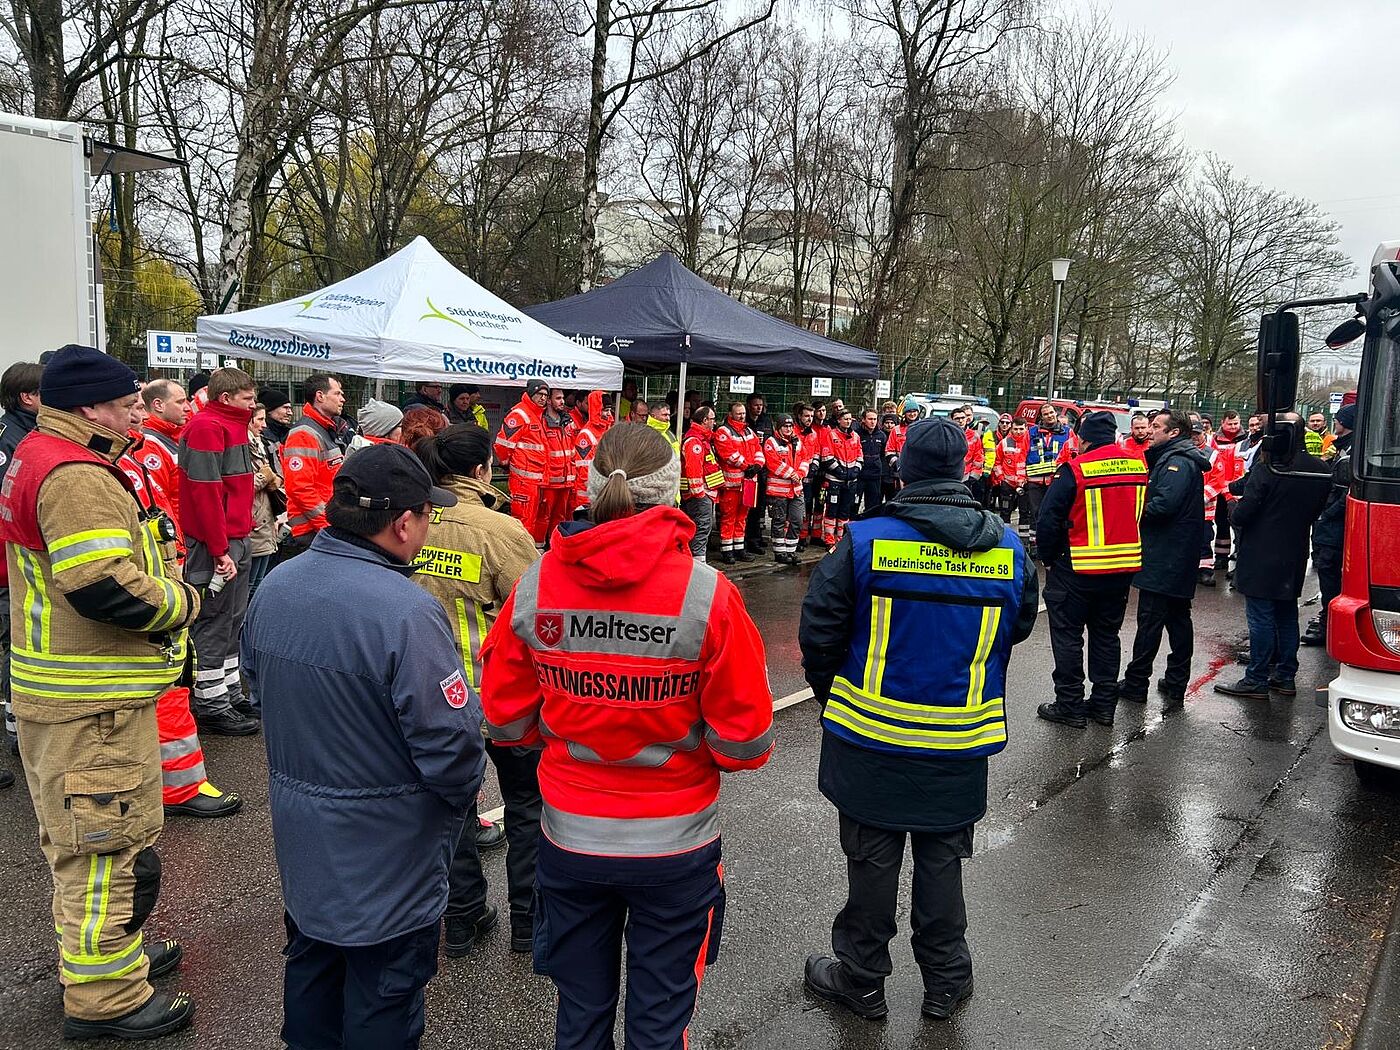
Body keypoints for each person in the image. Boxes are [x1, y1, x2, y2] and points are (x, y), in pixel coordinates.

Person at [480, 422, 775, 1050]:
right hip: (676, 847)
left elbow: (504, 722)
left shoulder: (536, 585)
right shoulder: (708, 596)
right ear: (672, 494)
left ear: (591, 488)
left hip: (569, 835)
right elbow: (744, 743)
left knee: (580, 1015)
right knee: (659, 1023)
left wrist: (565, 727)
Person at [244, 444, 484, 1050]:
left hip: (304, 840)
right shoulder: (406, 612)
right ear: (404, 523)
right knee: (384, 995)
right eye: (426, 515)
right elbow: (452, 748)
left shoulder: (277, 584)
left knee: (312, 972)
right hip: (390, 851)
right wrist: (458, 806)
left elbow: (254, 683)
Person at [798, 417, 1037, 1022]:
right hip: (961, 738)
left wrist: (835, 695)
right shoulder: (1009, 548)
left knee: (872, 861)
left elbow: (819, 631)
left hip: (871, 735)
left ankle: (862, 980)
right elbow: (1020, 625)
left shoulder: (865, 540)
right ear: (963, 472)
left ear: (904, 470)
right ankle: (946, 983)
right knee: (942, 860)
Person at [2, 345, 199, 1039]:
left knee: (95, 842)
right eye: (126, 404)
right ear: (89, 406)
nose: (137, 414)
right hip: (92, 702)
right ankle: (107, 997)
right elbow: (103, 585)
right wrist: (183, 602)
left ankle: (115, 957)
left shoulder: (44, 451)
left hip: (77, 694)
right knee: (101, 850)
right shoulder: (74, 473)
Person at [412, 425, 543, 958]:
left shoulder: (409, 522)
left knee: (453, 811)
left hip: (434, 699)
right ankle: (529, 926)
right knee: (527, 807)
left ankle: (462, 918)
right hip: (502, 697)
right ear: (483, 470)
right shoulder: (501, 529)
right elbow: (537, 613)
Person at [1034, 412, 1148, 729]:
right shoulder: (1137, 465)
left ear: (1084, 440)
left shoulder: (1075, 469)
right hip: (1122, 567)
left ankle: (1069, 705)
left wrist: (1047, 557)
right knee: (1106, 638)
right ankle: (1103, 706)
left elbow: (1048, 519)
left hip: (1077, 566)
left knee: (1068, 637)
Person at [1215, 420, 1330, 700]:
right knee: (1287, 614)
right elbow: (1317, 509)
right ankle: (1285, 674)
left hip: (1261, 553)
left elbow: (1243, 515)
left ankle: (1256, 677)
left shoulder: (1270, 469)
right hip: (1295, 551)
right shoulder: (1320, 470)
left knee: (1261, 617)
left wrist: (1232, 505)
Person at [179, 367, 260, 736]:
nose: (253, 404)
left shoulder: (229, 425)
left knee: (232, 617)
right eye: (247, 398)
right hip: (218, 546)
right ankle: (211, 702)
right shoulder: (208, 428)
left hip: (233, 540)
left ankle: (226, 691)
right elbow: (205, 493)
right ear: (226, 398)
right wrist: (219, 548)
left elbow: (231, 489)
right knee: (214, 619)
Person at [1119, 409, 1212, 711]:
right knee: (1176, 618)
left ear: (1174, 433)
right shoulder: (1176, 459)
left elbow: (1162, 505)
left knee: (1152, 620)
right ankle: (1175, 680)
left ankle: (1137, 683)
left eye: (1157, 426)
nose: (1150, 430)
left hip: (1167, 554)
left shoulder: (1177, 463)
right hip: (1175, 553)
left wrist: (1132, 507)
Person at [0, 360, 41, 761]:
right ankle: (17, 726)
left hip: (14, 560)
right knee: (17, 643)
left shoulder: (24, 432)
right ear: (27, 397)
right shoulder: (10, 438)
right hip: (7, 563)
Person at [1303, 403, 1355, 657]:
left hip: (1333, 527)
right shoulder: (1342, 448)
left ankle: (1329, 626)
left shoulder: (1350, 453)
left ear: (1345, 423)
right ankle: (1328, 620)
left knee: (1330, 573)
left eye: (1338, 420)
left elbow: (1345, 492)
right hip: (1330, 525)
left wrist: (1325, 515)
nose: (1335, 423)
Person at [281, 374, 346, 553]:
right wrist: (327, 526)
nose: (343, 399)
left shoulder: (324, 430)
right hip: (312, 532)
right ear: (320, 396)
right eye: (337, 393)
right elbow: (299, 488)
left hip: (320, 528)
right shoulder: (304, 434)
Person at [495, 379, 551, 549]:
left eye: (546, 395)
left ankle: (531, 553)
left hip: (536, 481)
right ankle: (518, 555)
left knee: (535, 520)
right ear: (531, 394)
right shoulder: (520, 414)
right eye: (539, 394)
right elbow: (502, 445)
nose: (543, 398)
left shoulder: (537, 415)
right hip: (523, 481)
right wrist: (506, 462)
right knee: (523, 521)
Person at [137, 379, 190, 550]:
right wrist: (177, 547)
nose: (187, 407)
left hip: (182, 537)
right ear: (158, 405)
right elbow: (160, 504)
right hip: (173, 543)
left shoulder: (171, 437)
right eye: (180, 402)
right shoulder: (149, 445)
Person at [713, 402, 764, 564]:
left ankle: (739, 548)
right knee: (729, 517)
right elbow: (728, 454)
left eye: (743, 413)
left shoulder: (749, 431)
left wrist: (757, 465)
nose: (742, 416)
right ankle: (727, 551)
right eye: (738, 413)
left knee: (742, 517)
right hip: (732, 484)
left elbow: (758, 450)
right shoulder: (723, 431)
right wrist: (747, 466)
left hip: (748, 483)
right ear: (731, 414)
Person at [1023, 402, 1076, 555]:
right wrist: (1021, 478)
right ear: (1042, 416)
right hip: (1034, 481)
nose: (1050, 416)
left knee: (1055, 512)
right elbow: (1022, 454)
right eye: (1046, 414)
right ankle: (1035, 545)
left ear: (1056, 413)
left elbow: (1071, 455)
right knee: (1036, 513)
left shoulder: (1068, 432)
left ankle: (1055, 544)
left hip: (1056, 482)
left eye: (1052, 412)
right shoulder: (1031, 432)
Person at [680, 406, 725, 561]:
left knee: (701, 528)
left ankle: (697, 561)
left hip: (704, 494)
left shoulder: (702, 439)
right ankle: (699, 563)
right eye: (712, 419)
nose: (714, 422)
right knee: (701, 528)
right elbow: (693, 470)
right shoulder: (695, 441)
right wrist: (700, 495)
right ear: (705, 420)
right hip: (700, 495)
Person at [247, 404, 283, 598]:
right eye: (259, 419)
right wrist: (263, 478)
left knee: (259, 583)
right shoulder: (243, 446)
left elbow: (275, 476)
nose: (263, 425)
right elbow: (239, 487)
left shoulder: (259, 444)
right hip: (253, 523)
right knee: (250, 586)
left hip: (265, 520)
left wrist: (274, 479)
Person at [765, 414, 808, 564]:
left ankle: (791, 551)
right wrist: (792, 474)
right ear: (779, 427)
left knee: (797, 519)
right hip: (778, 491)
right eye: (785, 426)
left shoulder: (797, 441)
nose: (788, 429)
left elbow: (805, 459)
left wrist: (800, 473)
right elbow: (773, 463)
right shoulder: (771, 442)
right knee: (779, 521)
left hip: (796, 489)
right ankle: (779, 552)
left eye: (790, 426)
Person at [821, 407, 863, 551]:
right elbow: (826, 456)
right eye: (845, 419)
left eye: (850, 419)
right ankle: (829, 540)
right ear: (838, 420)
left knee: (845, 512)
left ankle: (840, 539)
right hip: (834, 480)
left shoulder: (855, 436)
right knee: (832, 511)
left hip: (851, 481)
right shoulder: (831, 435)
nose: (848, 421)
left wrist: (856, 470)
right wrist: (839, 471)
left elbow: (860, 456)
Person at [542, 387, 579, 543]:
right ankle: (539, 550)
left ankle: (555, 546)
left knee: (560, 518)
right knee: (543, 518)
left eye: (563, 398)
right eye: (558, 398)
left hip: (566, 481)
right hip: (550, 481)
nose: (562, 401)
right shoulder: (542, 422)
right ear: (549, 401)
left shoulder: (569, 422)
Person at [572, 391, 614, 515]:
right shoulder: (586, 436)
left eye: (610, 410)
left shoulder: (606, 432)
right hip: (588, 496)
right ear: (597, 409)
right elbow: (584, 471)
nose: (609, 414)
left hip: (602, 493)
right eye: (605, 410)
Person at [990, 418, 1030, 538]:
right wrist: (1001, 477)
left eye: (1021, 429)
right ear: (1011, 429)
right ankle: (1005, 538)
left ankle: (1024, 540)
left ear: (1026, 428)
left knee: (1025, 513)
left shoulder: (1031, 443)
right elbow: (996, 462)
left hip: (1025, 483)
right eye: (1015, 429)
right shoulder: (1004, 443)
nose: (1018, 432)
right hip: (1007, 483)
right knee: (1005, 512)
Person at [744, 394, 773, 554]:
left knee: (759, 508)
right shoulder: (743, 422)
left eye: (761, 405)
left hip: (762, 471)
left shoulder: (766, 421)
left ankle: (756, 538)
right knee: (748, 507)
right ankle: (747, 540)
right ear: (749, 405)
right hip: (748, 471)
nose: (759, 408)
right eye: (755, 405)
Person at [794, 403, 824, 548]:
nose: (809, 419)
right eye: (806, 416)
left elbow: (817, 452)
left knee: (814, 505)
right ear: (799, 416)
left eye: (811, 416)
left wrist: (814, 466)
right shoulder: (792, 431)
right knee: (800, 509)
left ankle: (810, 536)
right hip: (797, 476)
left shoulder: (813, 433)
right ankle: (799, 537)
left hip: (812, 476)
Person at [856, 408, 887, 513]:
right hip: (859, 475)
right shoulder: (856, 435)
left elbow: (883, 455)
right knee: (854, 503)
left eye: (875, 419)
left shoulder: (881, 435)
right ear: (864, 420)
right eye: (870, 419)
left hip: (875, 475)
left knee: (873, 506)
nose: (873, 421)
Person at [260, 386, 294, 451]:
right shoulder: (260, 435)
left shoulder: (289, 433)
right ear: (270, 410)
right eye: (285, 408)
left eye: (290, 408)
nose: (290, 413)